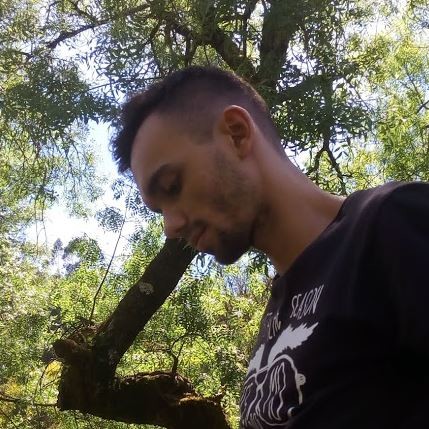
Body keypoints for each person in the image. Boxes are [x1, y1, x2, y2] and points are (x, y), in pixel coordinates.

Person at [111, 66, 429, 428]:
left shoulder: (392, 223)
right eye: (159, 211)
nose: (170, 227)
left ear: (236, 134)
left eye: (172, 186)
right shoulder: (277, 314)